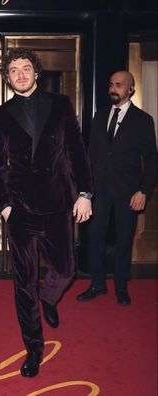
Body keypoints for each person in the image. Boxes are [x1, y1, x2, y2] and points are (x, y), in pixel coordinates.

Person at [0, 48, 93, 378]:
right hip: (20, 210)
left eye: (26, 67)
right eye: (14, 70)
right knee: (23, 283)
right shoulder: (0, 115)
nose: (20, 74)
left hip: (59, 203)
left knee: (67, 268)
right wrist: (4, 206)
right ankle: (33, 348)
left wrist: (85, 194)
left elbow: (77, 151)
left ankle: (49, 297)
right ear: (7, 77)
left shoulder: (60, 105)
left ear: (37, 71)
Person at [76, 70, 157, 306]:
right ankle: (97, 284)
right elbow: (90, 156)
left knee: (124, 239)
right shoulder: (100, 116)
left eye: (119, 85)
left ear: (131, 89)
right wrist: (86, 191)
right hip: (99, 191)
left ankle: (121, 287)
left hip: (128, 191)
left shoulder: (143, 120)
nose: (113, 89)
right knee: (95, 236)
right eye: (111, 84)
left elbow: (152, 160)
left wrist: (143, 191)